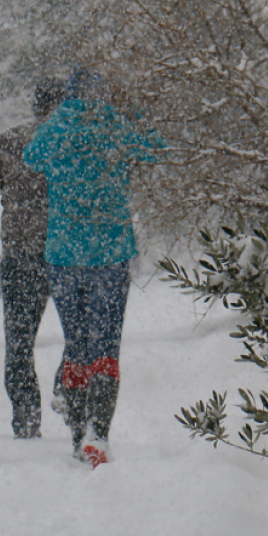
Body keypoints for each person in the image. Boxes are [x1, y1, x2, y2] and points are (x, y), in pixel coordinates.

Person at [23, 68, 164, 467]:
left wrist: (59, 122)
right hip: (110, 252)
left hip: (64, 254)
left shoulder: (56, 127)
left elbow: (30, 158)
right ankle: (98, 434)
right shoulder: (115, 124)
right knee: (105, 346)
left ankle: (74, 434)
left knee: (77, 345)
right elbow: (156, 147)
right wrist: (132, 112)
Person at [0, 77, 65, 439]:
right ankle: (66, 388)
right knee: (81, 335)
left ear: (34, 105)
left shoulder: (8, 142)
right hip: (67, 255)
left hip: (21, 255)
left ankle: (26, 417)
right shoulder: (74, 144)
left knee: (19, 342)